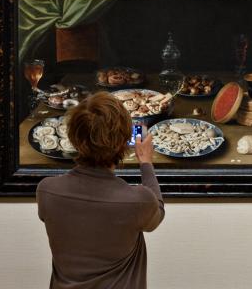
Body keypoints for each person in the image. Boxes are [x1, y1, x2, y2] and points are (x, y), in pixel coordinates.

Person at [37, 92, 164, 289]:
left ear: (72, 136)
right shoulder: (139, 201)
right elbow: (158, 212)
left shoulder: (47, 191)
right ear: (123, 142)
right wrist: (146, 162)